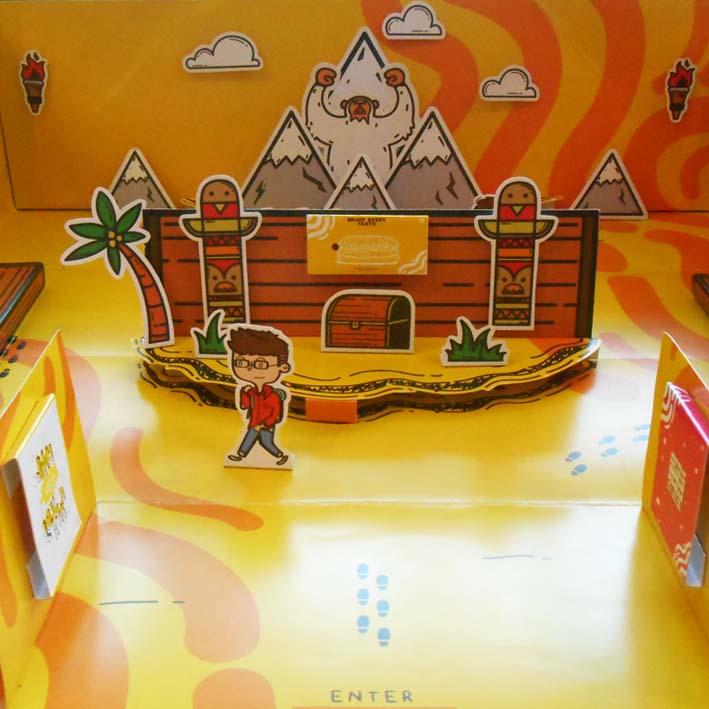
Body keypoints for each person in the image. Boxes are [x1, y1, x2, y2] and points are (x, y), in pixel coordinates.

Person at [226, 326, 292, 466]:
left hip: (266, 425)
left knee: (266, 442)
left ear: (283, 368)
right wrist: (244, 393)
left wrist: (264, 425)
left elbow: (275, 414)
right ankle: (240, 456)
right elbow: (245, 406)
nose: (249, 369)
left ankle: (281, 456)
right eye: (241, 362)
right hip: (254, 422)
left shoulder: (273, 396)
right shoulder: (251, 392)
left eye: (260, 364)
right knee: (249, 437)